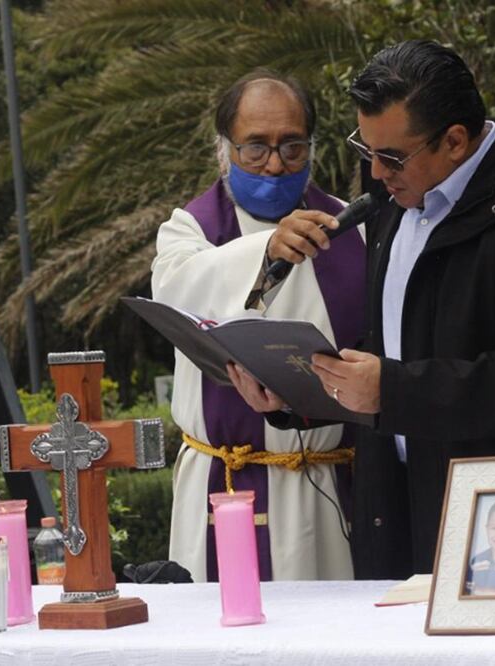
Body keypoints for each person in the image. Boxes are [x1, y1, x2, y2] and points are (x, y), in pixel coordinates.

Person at [228, 40, 495, 579]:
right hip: (397, 516)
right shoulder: (394, 208)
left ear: (456, 141)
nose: (374, 172)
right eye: (364, 149)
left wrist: (390, 389)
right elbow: (392, 347)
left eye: (391, 156)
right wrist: (299, 390)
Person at [152, 70, 366, 582]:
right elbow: (175, 293)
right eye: (256, 148)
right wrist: (265, 251)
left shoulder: (354, 228)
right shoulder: (192, 229)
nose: (274, 164)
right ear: (223, 149)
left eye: (292, 146)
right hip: (226, 486)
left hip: (333, 483)